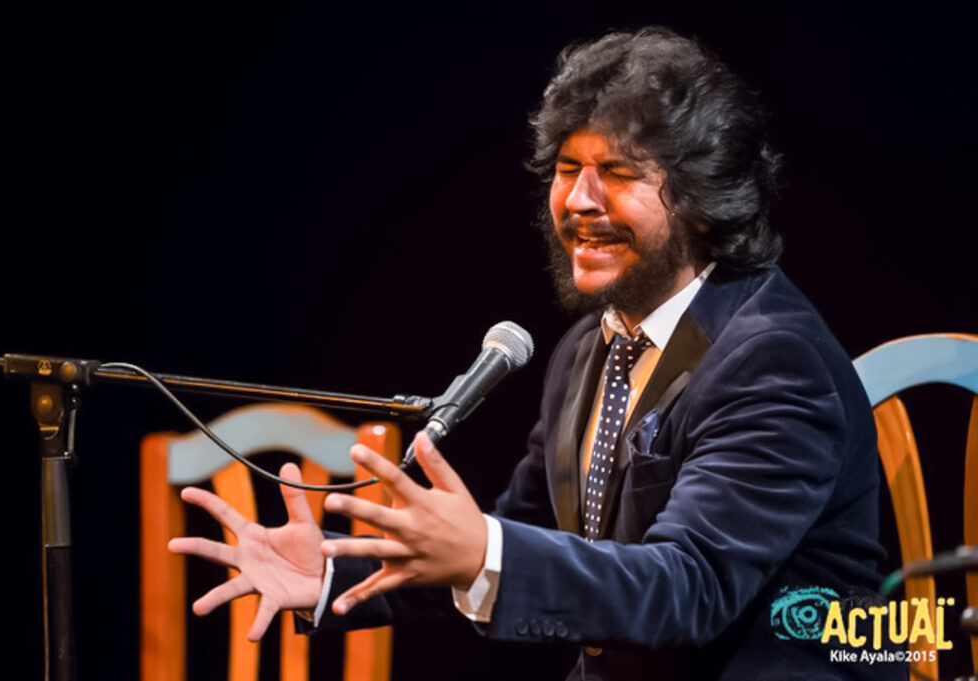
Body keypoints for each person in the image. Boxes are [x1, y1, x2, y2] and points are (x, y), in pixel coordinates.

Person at [170, 28, 901, 680]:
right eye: (565, 166)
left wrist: (484, 548)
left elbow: (690, 586)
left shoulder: (772, 357)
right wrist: (331, 568)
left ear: (703, 196)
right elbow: (525, 533)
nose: (578, 199)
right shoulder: (590, 347)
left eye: (616, 171)